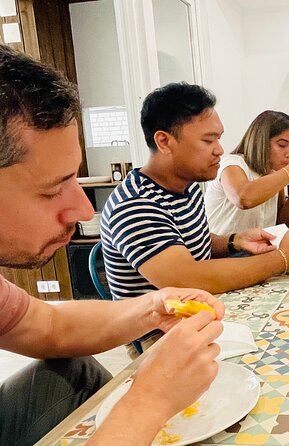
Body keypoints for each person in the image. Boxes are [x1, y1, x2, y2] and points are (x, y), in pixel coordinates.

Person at [0, 44, 225, 445]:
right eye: (53, 190)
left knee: (73, 370)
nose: (85, 210)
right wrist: (148, 403)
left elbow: (47, 325)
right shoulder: (137, 201)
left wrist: (154, 307)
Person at [101, 83, 289, 304]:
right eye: (208, 140)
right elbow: (188, 278)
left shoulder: (188, 187)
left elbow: (191, 244)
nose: (219, 150)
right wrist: (283, 257)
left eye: (219, 138)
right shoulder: (136, 204)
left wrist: (234, 241)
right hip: (161, 334)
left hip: (205, 311)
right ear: (164, 142)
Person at [204, 110, 289, 235]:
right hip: (223, 251)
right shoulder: (232, 163)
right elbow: (243, 198)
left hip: (256, 250)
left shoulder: (273, 172)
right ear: (261, 142)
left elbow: (281, 222)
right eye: (282, 145)